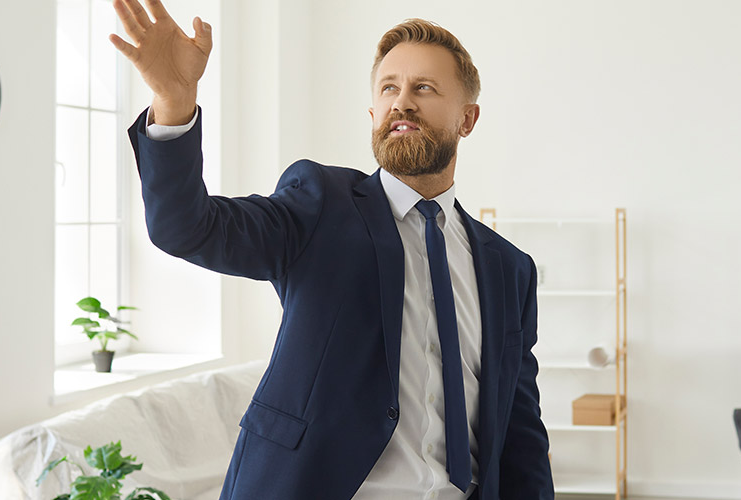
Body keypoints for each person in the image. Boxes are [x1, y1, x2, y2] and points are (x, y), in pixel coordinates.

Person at [108, 1, 553, 498]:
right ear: (373, 113)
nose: (401, 102)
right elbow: (187, 227)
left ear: (467, 119)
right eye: (389, 88)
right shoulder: (319, 205)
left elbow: (520, 434)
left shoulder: (510, 269)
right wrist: (173, 101)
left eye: (423, 88)